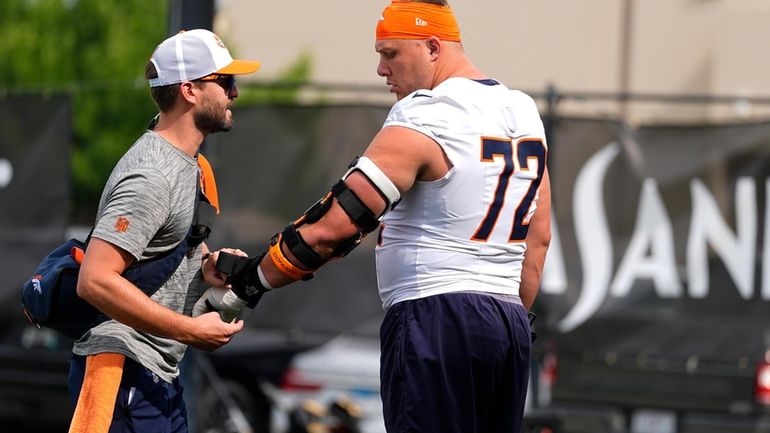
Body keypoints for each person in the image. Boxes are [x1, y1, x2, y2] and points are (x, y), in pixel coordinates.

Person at [198, 1, 551, 432]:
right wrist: (503, 321)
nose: (382, 70)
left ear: (433, 47)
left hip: (436, 316)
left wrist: (252, 279)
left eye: (390, 54)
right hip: (509, 322)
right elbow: (537, 241)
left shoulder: (428, 114)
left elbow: (336, 227)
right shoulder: (523, 111)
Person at [68, 29, 260, 433]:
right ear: (189, 90)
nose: (235, 92)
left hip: (154, 371)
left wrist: (204, 265)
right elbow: (95, 280)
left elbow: (158, 249)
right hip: (119, 369)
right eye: (225, 81)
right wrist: (191, 329)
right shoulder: (151, 173)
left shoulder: (184, 162)